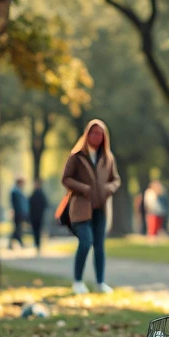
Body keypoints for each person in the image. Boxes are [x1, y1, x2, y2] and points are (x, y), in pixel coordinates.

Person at [55, 119, 120, 295]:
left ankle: (100, 283)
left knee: (100, 246)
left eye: (100, 133)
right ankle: (77, 281)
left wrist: (108, 188)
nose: (97, 136)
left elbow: (116, 180)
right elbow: (66, 179)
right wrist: (84, 189)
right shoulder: (77, 156)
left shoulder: (107, 158)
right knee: (85, 242)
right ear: (87, 134)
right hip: (81, 209)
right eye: (94, 133)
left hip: (101, 208)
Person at [29, 181, 49, 253]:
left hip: (35, 216)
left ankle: (37, 244)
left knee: (36, 231)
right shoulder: (41, 194)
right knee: (38, 230)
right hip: (39, 216)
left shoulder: (33, 194)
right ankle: (38, 244)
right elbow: (46, 204)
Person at [9, 178, 27, 249]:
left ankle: (18, 242)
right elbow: (17, 204)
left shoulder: (17, 191)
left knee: (18, 228)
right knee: (17, 229)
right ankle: (18, 242)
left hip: (19, 213)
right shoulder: (15, 192)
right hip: (18, 213)